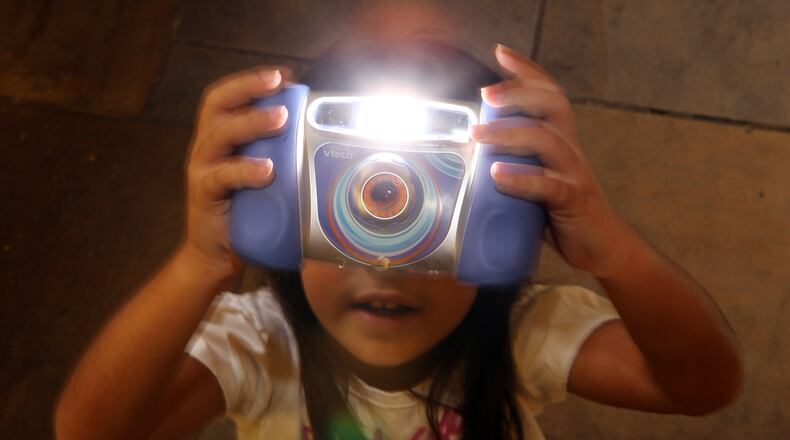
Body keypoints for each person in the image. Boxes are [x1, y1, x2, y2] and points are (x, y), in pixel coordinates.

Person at [53, 37, 744, 440]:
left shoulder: (520, 334)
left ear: (494, 223)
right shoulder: (261, 346)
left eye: (424, 208)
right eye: (357, 200)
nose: (387, 261)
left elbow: (704, 385)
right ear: (288, 209)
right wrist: (201, 261)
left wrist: (610, 246)